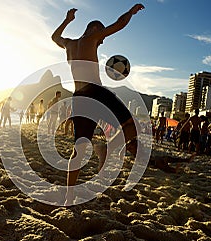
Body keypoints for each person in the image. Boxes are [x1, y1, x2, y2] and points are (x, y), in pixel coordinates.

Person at [52, 3, 145, 205]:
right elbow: (119, 24)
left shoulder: (69, 44)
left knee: (79, 149)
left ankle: (69, 196)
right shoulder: (91, 37)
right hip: (95, 92)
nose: (101, 41)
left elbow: (54, 37)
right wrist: (130, 12)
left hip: (79, 96)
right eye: (101, 37)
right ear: (95, 29)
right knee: (132, 126)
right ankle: (107, 150)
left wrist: (67, 21)